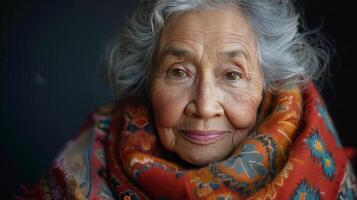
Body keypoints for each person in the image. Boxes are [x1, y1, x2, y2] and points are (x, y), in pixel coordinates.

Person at [18, 0, 357, 199]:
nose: (205, 106)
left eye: (233, 74)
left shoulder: (318, 163)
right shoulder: (91, 156)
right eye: (179, 72)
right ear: (148, 80)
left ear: (269, 85)